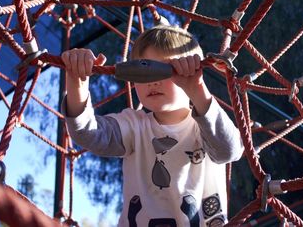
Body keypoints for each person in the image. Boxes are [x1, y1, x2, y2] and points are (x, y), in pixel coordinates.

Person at [60, 25, 243, 226]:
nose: (152, 82)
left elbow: (229, 151)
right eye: (143, 72)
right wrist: (77, 84)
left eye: (163, 70)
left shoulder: (205, 127)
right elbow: (88, 134)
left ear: (192, 73)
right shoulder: (133, 126)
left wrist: (198, 90)